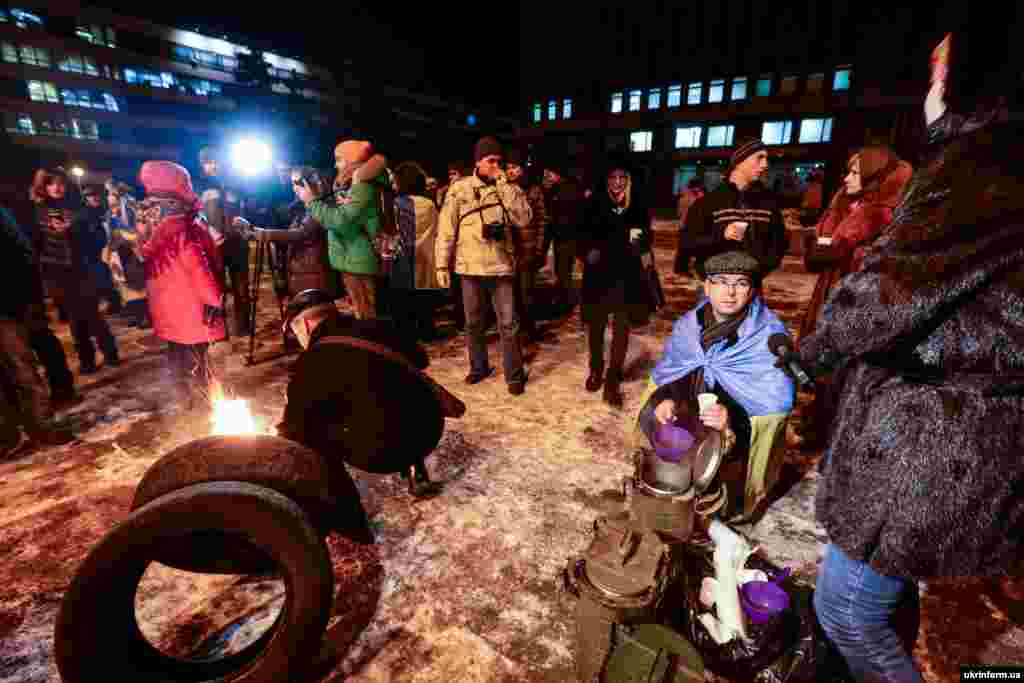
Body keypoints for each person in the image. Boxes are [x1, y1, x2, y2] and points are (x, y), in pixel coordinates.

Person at [793, 18, 1022, 681]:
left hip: (929, 433)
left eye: (935, 74)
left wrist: (807, 358)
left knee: (847, 609)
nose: (928, 89)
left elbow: (888, 292)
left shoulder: (979, 167)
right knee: (883, 595)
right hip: (960, 425)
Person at [633, 250, 795, 522]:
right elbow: (674, 372)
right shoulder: (689, 326)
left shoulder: (768, 337)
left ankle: (717, 514)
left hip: (735, 441)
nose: (730, 292)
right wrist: (667, 398)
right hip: (690, 420)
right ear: (707, 287)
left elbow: (771, 410)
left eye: (741, 283)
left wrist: (730, 421)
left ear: (753, 290)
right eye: (721, 281)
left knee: (717, 501)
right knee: (663, 444)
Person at [275, 289, 465, 498]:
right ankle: (416, 471)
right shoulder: (377, 325)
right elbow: (421, 359)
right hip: (427, 427)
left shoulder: (310, 364)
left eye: (296, 333)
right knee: (394, 393)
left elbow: (295, 429)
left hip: (381, 452)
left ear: (306, 325)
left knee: (315, 432)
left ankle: (343, 506)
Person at [796, 147, 912, 450]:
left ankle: (841, 437)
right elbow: (820, 247)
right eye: (849, 171)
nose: (846, 178)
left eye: (855, 173)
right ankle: (819, 425)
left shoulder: (890, 214)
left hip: (862, 305)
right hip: (829, 296)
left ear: (875, 178)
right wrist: (820, 249)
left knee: (850, 373)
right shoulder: (842, 204)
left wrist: (848, 251)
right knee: (824, 364)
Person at [435, 136, 534, 395]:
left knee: (509, 323)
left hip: (501, 266)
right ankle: (478, 367)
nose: (496, 166)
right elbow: (446, 229)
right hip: (469, 267)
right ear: (478, 161)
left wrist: (505, 185)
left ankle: (514, 375)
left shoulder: (509, 187)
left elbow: (524, 219)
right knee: (473, 322)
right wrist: (441, 266)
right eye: (491, 161)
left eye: (499, 161)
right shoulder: (459, 189)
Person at [138, 161, 226, 412]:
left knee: (175, 349)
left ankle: (181, 394)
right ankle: (204, 393)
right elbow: (196, 266)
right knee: (199, 351)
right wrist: (214, 299)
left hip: (166, 302)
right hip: (191, 302)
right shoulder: (181, 224)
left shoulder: (147, 217)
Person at [576, 157, 655, 408]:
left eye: (623, 178)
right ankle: (596, 369)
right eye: (613, 178)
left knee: (622, 327)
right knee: (597, 326)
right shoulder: (593, 203)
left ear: (629, 180)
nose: (618, 182)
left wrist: (641, 238)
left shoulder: (638, 205)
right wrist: (587, 251)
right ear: (606, 180)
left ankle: (613, 375)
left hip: (626, 274)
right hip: (599, 275)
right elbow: (580, 234)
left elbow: (646, 236)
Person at [0, 204, 75, 457]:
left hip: (6, 309)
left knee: (22, 369)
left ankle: (41, 425)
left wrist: (29, 299)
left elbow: (22, 254)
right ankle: (7, 435)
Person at [30, 168, 119, 374]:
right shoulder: (38, 211)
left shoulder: (80, 208)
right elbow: (36, 244)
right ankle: (86, 360)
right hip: (57, 272)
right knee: (74, 319)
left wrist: (75, 230)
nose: (57, 187)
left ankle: (110, 352)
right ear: (43, 186)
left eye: (60, 182)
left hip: (82, 268)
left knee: (92, 315)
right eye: (51, 183)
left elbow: (98, 238)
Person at [295, 140, 390, 321]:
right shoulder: (355, 185)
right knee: (363, 312)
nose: (335, 164)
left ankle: (370, 347)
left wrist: (311, 201)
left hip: (359, 260)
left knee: (367, 317)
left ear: (350, 161)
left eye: (339, 160)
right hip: (354, 258)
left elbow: (340, 221)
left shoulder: (363, 186)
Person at [685, 140, 788, 284]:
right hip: (715, 288)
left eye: (766, 158)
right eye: (759, 157)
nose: (765, 164)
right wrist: (721, 236)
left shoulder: (768, 203)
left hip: (751, 287)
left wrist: (758, 271)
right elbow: (689, 243)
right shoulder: (708, 203)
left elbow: (779, 243)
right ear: (739, 161)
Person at [196, 146, 250, 336]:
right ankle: (218, 329)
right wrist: (212, 236)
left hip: (236, 243)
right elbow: (200, 217)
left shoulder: (236, 183)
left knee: (241, 288)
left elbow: (242, 211)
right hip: (215, 245)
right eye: (207, 162)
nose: (212, 166)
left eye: (214, 161)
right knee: (216, 289)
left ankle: (242, 327)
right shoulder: (201, 187)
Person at [388, 163, 443, 341]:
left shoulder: (395, 204)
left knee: (404, 302)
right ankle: (427, 331)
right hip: (425, 259)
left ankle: (407, 335)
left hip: (402, 260)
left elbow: (391, 232)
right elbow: (437, 230)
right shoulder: (429, 204)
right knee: (424, 302)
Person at [505, 148, 548, 342]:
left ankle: (528, 329)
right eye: (508, 168)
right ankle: (515, 330)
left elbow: (542, 220)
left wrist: (539, 248)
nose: (511, 171)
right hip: (508, 251)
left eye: (515, 167)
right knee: (510, 295)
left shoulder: (533, 189)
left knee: (526, 293)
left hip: (527, 250)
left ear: (523, 168)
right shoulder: (503, 189)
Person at [540, 159, 586, 310]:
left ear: (558, 173)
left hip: (567, 237)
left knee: (563, 270)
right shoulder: (561, 188)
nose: (548, 176)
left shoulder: (567, 189)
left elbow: (563, 215)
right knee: (562, 270)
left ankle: (565, 301)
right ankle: (564, 297)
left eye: (550, 173)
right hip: (564, 236)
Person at [103, 180, 150, 329]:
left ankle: (146, 316)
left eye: (111, 194)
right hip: (119, 252)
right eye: (108, 194)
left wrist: (126, 236)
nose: (108, 197)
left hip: (132, 251)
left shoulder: (129, 209)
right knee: (125, 285)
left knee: (139, 284)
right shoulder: (110, 214)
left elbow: (136, 230)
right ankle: (136, 315)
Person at [80, 185, 120, 316]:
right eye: (91, 196)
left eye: (97, 195)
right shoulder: (84, 213)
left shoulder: (104, 211)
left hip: (110, 249)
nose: (95, 198)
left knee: (113, 278)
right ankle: (113, 303)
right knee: (102, 280)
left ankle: (116, 303)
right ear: (86, 199)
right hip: (94, 252)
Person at [673, 178, 705, 276]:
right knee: (690, 248)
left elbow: (678, 212)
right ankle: (685, 268)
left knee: (683, 249)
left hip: (683, 225)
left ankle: (679, 268)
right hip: (691, 226)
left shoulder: (683, 197)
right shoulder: (696, 197)